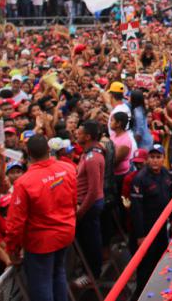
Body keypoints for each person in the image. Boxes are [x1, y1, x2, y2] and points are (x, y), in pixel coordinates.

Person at [5, 135, 77, 301]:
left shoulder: (24, 183)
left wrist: (12, 248)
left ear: (28, 154)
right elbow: (74, 201)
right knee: (58, 272)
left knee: (42, 283)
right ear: (48, 149)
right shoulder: (68, 169)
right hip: (65, 232)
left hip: (41, 242)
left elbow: (15, 222)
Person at [128, 143, 172, 296]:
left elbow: (171, 197)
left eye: (158, 157)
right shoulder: (140, 179)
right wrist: (140, 235)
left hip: (161, 228)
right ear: (147, 160)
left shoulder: (166, 173)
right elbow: (136, 210)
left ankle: (160, 292)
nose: (155, 160)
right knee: (145, 267)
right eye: (152, 157)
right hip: (145, 230)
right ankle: (141, 295)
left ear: (163, 159)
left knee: (161, 259)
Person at [73, 120, 105, 286]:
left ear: (88, 136)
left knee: (90, 241)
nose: (76, 134)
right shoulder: (88, 154)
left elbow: (93, 190)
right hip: (87, 205)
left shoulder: (93, 158)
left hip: (90, 206)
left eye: (79, 132)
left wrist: (80, 212)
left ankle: (92, 274)